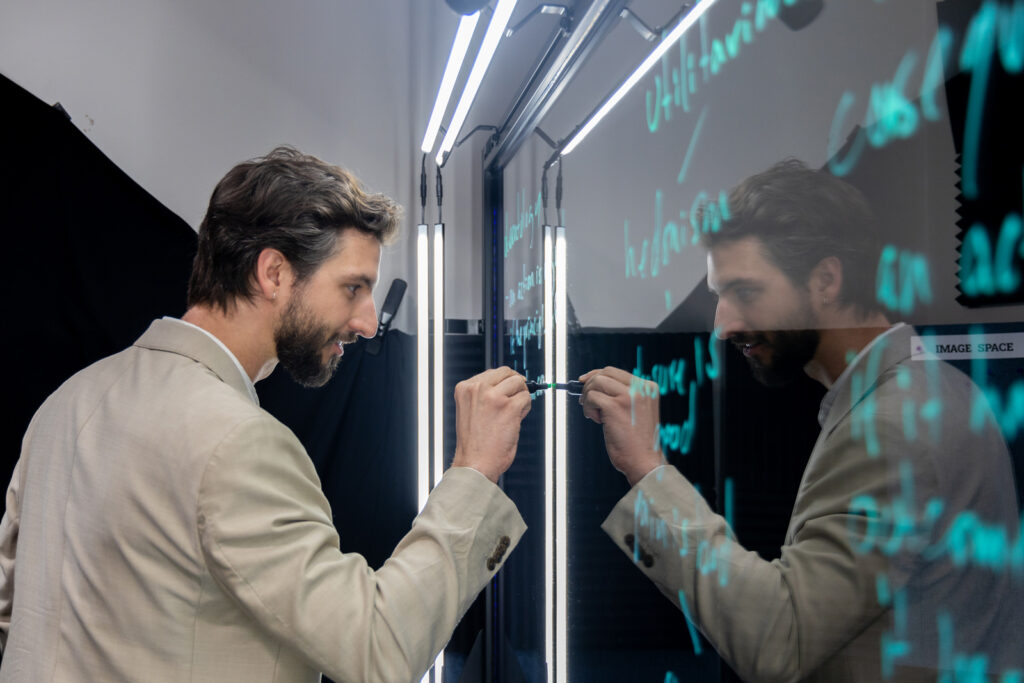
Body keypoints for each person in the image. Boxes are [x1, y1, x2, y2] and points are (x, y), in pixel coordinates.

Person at [0, 147, 531, 682]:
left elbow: (13, 615)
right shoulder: (238, 443)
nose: (369, 323)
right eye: (353, 287)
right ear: (274, 272)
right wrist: (474, 474)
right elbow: (377, 648)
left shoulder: (65, 403)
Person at [581, 159, 1022, 680]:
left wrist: (647, 470)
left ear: (826, 280)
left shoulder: (892, 425)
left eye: (745, 292)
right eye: (719, 295)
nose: (723, 325)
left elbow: (780, 642)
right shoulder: (932, 388)